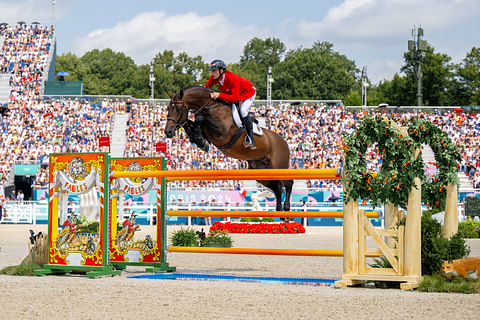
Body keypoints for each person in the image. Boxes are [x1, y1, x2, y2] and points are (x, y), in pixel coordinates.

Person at [205, 59, 257, 149]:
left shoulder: (233, 79)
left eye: (214, 71)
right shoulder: (214, 78)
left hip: (248, 92)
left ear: (221, 71)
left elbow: (234, 98)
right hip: (235, 94)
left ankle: (250, 138)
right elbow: (206, 88)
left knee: (243, 111)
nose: (212, 73)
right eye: (212, 71)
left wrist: (219, 95)